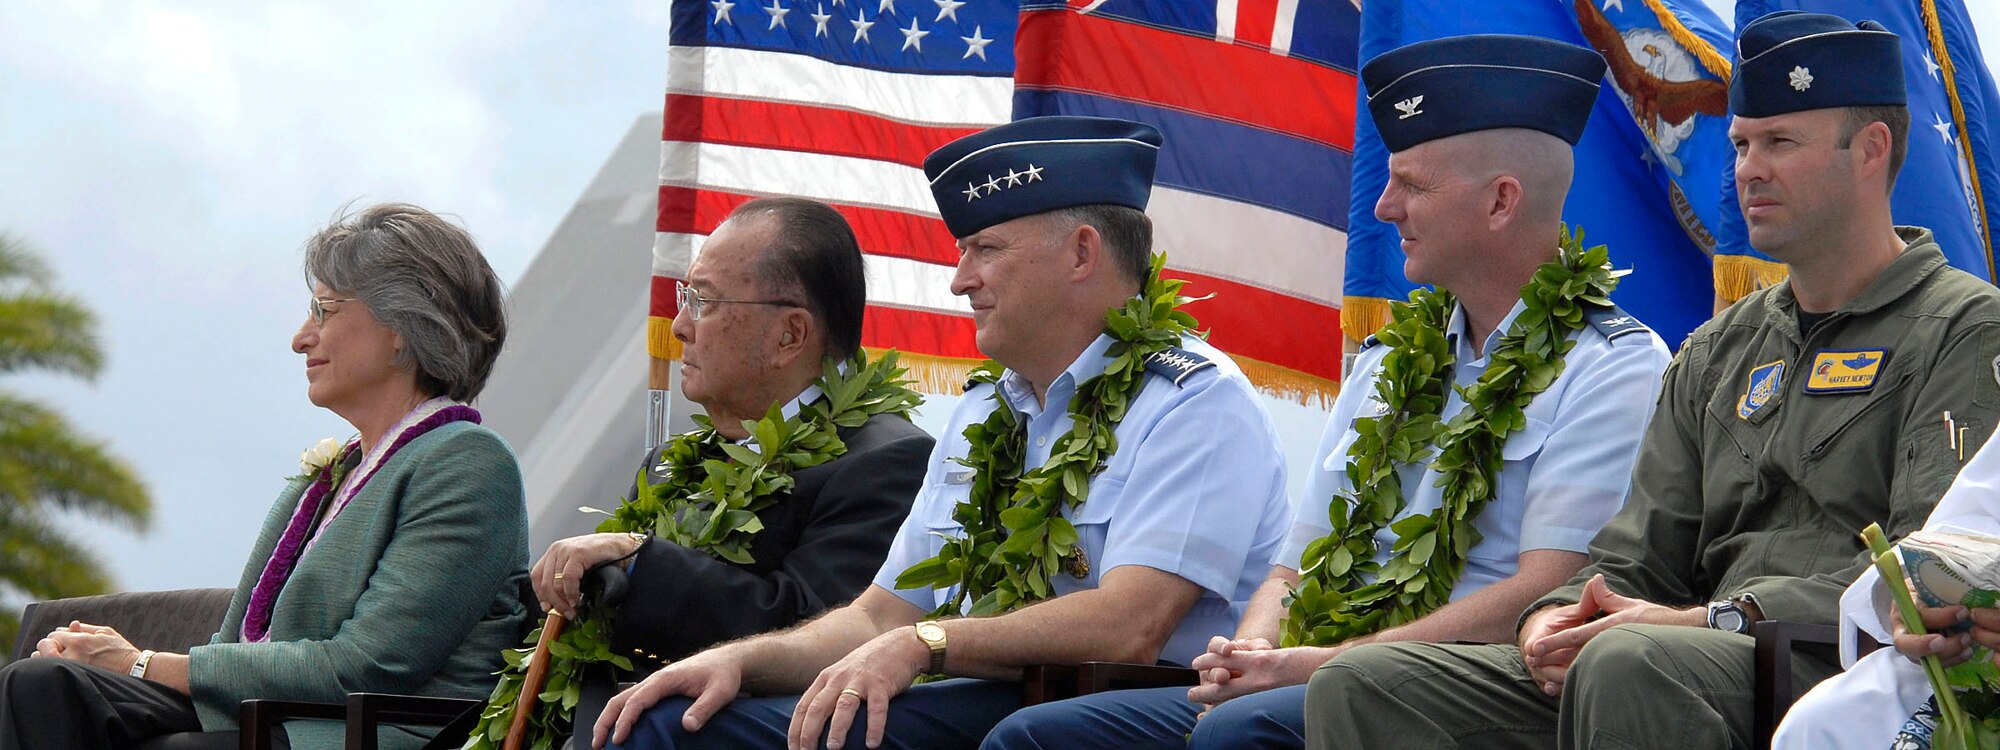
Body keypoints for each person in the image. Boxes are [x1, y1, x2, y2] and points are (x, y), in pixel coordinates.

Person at [1304, 10, 2000, 749]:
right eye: (1739, 144)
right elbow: (1633, 556)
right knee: (1368, 686)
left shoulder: (1964, 330)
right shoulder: (1717, 349)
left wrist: (1704, 620)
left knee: (1629, 661)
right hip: (1671, 655)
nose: (1747, 170)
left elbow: (1926, 577)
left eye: (1779, 143)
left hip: (1835, 665)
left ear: (1871, 150)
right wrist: (1556, 618)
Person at [980, 34, 1672, 750]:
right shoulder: (1385, 364)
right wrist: (1249, 655)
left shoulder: (1611, 366)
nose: (1383, 206)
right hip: (1319, 674)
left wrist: (1325, 664)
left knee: (1241, 735)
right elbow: (1293, 566)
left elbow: (1548, 588)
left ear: (1501, 202)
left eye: (1412, 184)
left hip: (1466, 692)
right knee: (1034, 739)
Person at [590, 115, 1293, 750]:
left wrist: (926, 643)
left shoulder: (1193, 398)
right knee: (669, 720)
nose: (961, 281)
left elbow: (1129, 627)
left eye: (985, 248)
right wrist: (737, 660)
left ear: (1082, 254)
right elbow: (875, 619)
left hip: (1122, 711)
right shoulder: (986, 411)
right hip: (991, 695)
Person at [0, 203, 528, 750]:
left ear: (403, 327)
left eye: (324, 310)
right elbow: (235, 645)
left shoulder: (467, 462)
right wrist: (110, 662)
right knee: (40, 682)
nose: (301, 338)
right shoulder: (329, 476)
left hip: (363, 733)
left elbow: (369, 665)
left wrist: (139, 663)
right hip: (262, 720)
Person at [528, 197, 934, 746]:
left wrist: (640, 564)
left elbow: (818, 627)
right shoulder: (671, 461)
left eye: (703, 301)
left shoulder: (886, 459)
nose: (679, 327)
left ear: (789, 335)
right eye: (685, 297)